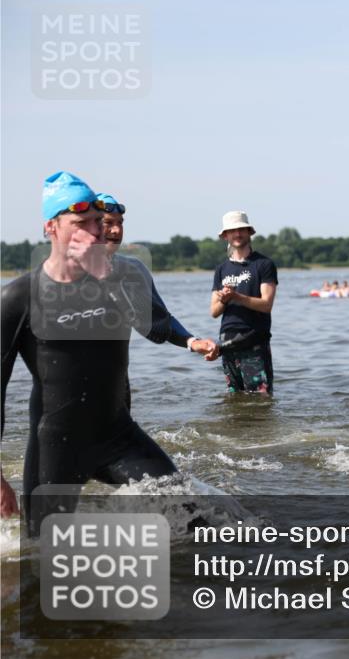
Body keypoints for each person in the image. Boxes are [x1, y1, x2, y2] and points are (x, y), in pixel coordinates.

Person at [1, 172, 195, 533]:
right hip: (54, 448)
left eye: (96, 221)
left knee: (193, 519)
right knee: (42, 559)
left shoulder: (118, 280)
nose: (94, 231)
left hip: (118, 437)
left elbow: (152, 327)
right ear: (51, 228)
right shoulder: (18, 299)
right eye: (81, 223)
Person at [98, 191, 218, 360]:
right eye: (108, 222)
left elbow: (161, 321)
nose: (117, 230)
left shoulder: (134, 269)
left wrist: (192, 342)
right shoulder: (64, 273)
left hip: (116, 378)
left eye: (120, 223)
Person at [210, 211, 278, 394]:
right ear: (225, 236)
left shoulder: (264, 264)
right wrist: (224, 300)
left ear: (249, 232)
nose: (237, 234)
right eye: (232, 231)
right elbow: (214, 312)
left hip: (254, 340)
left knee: (260, 400)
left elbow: (266, 304)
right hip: (227, 342)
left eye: (241, 229)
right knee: (234, 398)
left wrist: (236, 297)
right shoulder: (221, 269)